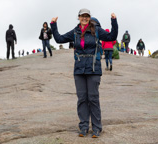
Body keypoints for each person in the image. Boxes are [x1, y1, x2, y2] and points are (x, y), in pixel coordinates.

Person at [50, 8, 118, 138]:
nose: (84, 18)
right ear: (79, 17)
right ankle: (84, 127)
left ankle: (97, 128)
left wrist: (113, 21)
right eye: (82, 16)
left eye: (87, 16)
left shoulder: (96, 30)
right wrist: (53, 25)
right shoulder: (75, 31)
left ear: (89, 17)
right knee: (82, 99)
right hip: (79, 69)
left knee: (93, 98)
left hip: (93, 68)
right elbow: (59, 39)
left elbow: (111, 37)